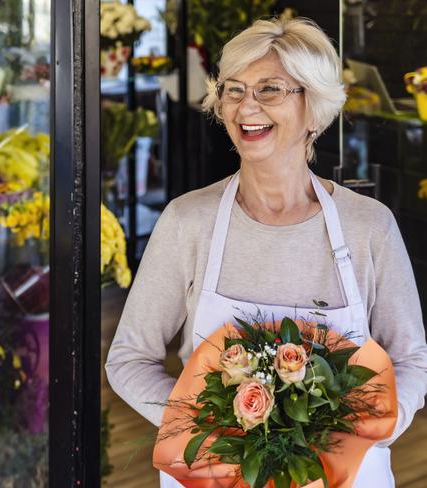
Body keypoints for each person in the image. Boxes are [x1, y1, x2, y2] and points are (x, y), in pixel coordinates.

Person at [105, 16, 427, 488]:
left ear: (314, 108)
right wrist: (210, 437)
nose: (244, 107)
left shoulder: (369, 227)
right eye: (233, 90)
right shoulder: (186, 220)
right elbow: (129, 358)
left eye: (270, 89)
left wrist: (363, 437)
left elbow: (411, 361)